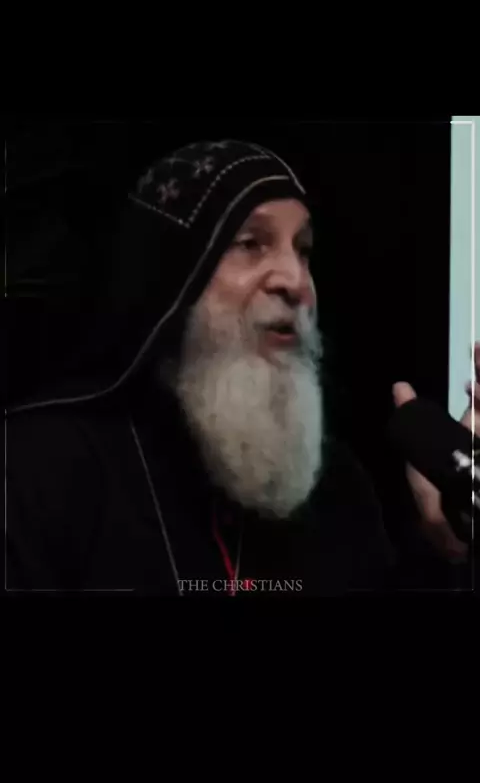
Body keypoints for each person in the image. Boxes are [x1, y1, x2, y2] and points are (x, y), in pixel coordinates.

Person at [4, 140, 477, 595]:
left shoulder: (336, 487)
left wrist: (441, 549)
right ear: (173, 279)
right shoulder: (40, 470)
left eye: (304, 250)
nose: (295, 280)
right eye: (251, 244)